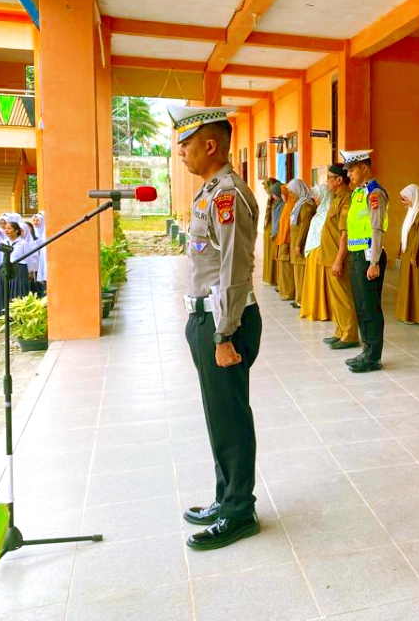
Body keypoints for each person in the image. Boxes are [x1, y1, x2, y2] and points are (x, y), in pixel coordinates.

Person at [168, 105, 261, 551]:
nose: (179, 151)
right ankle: (226, 499)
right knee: (218, 415)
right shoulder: (209, 192)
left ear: (210, 146)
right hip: (206, 317)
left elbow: (233, 269)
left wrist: (224, 334)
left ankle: (240, 510)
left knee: (230, 417)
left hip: (226, 322)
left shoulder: (228, 195)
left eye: (185, 143)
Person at [342, 150, 389, 372]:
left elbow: (376, 228)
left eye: (351, 170)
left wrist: (374, 262)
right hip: (357, 254)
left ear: (364, 168)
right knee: (361, 306)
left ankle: (373, 357)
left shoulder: (374, 193)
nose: (348, 175)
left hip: (369, 256)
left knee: (370, 308)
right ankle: (367, 350)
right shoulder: (357, 193)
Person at [320, 165, 359, 351]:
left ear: (339, 180)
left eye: (329, 177)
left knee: (344, 297)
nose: (326, 181)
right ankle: (340, 330)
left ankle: (350, 334)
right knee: (336, 297)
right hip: (330, 256)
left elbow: (345, 234)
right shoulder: (336, 198)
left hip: (339, 258)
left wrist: (338, 260)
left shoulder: (347, 199)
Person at [395, 184, 419, 325]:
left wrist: (414, 254)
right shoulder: (413, 210)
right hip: (410, 252)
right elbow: (406, 232)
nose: (403, 202)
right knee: (409, 284)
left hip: (418, 253)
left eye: (405, 199)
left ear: (414, 197)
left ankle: (417, 315)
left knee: (417, 284)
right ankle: (408, 314)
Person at [300, 185, 332, 322]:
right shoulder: (320, 212)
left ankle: (322, 310)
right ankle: (313, 308)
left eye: (318, 197)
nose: (316, 200)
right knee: (313, 281)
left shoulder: (328, 214)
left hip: (321, 251)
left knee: (320, 282)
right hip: (313, 251)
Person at [288, 179, 316, 310]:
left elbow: (304, 227)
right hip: (295, 241)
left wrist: (298, 245)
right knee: (297, 272)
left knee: (301, 273)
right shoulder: (299, 204)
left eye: (292, 192)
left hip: (301, 243)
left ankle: (302, 300)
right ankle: (299, 298)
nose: (291, 195)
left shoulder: (306, 206)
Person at [1, 214, 33, 300]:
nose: (6, 230)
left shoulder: (23, 243)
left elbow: (28, 259)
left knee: (18, 292)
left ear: (16, 231)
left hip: (19, 269)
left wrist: (30, 271)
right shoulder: (4, 242)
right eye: (5, 228)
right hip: (6, 268)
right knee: (6, 293)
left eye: (9, 228)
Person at [276, 184, 296, 301]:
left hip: (287, 241)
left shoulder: (292, 206)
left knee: (287, 270)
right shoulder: (286, 205)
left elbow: (290, 226)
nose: (282, 196)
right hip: (282, 240)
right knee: (283, 268)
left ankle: (288, 293)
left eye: (283, 194)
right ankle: (284, 291)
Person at [261, 179, 279, 286]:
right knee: (268, 253)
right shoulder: (271, 199)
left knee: (273, 253)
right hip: (269, 229)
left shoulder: (277, 200)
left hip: (274, 229)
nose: (266, 191)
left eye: (267, 188)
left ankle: (275, 278)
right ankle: (269, 277)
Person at [32, 212, 47, 292]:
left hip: (42, 257)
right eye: (34, 220)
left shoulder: (44, 232)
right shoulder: (31, 233)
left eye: (37, 220)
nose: (35, 222)